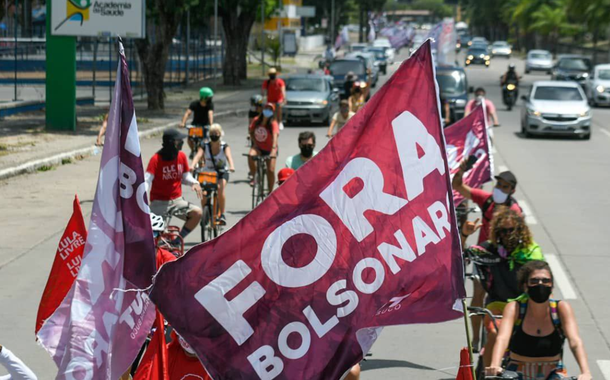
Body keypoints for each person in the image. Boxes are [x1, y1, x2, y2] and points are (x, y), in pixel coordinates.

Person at [462, 207, 544, 368]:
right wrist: (464, 235)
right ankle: (489, 373)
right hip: (497, 305)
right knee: (494, 333)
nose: (507, 234)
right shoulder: (490, 249)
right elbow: (463, 254)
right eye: (503, 231)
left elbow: (543, 278)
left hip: (525, 305)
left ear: (520, 230)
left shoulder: (531, 252)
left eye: (511, 230)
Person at [455, 165, 523, 352]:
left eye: (505, 187)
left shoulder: (515, 211)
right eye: (498, 184)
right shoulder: (487, 200)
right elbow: (459, 187)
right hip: (483, 256)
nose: (500, 189)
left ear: (512, 191)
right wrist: (461, 172)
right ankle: (476, 338)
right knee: (478, 293)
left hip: (504, 261)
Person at [486, 260, 592, 380]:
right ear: (525, 286)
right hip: (518, 371)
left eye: (546, 281)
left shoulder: (560, 308)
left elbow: (575, 341)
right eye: (534, 281)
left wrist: (585, 372)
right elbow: (502, 338)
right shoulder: (515, 308)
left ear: (552, 285)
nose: (540, 284)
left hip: (553, 371)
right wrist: (495, 365)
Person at [145, 129, 203, 243]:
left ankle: (176, 241)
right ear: (171, 142)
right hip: (159, 203)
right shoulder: (156, 159)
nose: (181, 142)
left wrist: (194, 183)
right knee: (155, 236)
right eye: (178, 140)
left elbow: (185, 176)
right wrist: (141, 201)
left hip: (177, 201)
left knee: (197, 213)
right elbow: (147, 180)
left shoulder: (181, 156)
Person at [191, 124, 235, 226]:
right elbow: (198, 156)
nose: (214, 135)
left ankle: (222, 214)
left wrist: (232, 166)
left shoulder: (224, 146)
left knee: (220, 188)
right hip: (208, 173)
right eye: (212, 133)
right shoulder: (204, 146)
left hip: (221, 173)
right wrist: (192, 165)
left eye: (216, 133)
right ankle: (205, 213)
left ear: (220, 134)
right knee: (204, 194)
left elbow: (229, 157)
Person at [248, 103, 280, 191]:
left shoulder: (273, 123)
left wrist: (273, 150)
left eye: (270, 110)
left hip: (270, 149)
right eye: (266, 108)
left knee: (271, 170)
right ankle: (254, 177)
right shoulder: (256, 120)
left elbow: (275, 136)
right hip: (258, 147)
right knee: (250, 155)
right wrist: (254, 143)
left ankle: (270, 192)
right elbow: (250, 131)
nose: (267, 111)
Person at [180, 87, 215, 156]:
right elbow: (187, 113)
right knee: (190, 139)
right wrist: (183, 123)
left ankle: (205, 154)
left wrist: (211, 125)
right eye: (208, 97)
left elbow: (210, 114)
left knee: (205, 141)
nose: (210, 99)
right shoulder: (194, 103)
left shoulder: (210, 104)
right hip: (195, 125)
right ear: (203, 97)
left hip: (205, 125)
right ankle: (193, 151)